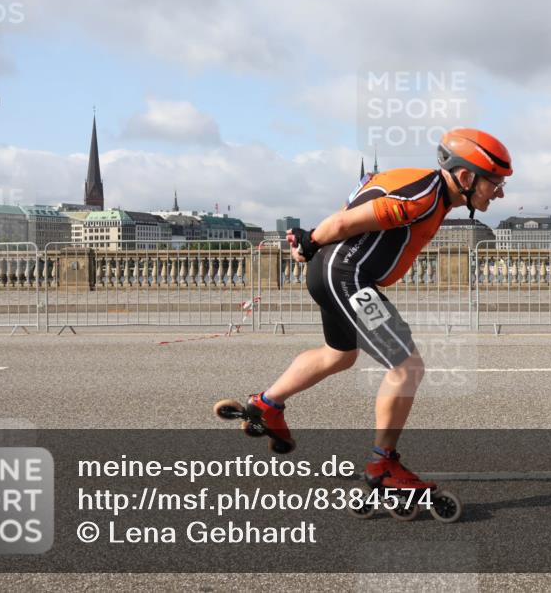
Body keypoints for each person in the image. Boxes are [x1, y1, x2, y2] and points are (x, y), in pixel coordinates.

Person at [217, 128, 511, 490]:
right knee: (407, 367)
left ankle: (266, 405)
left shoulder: (416, 182)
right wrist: (311, 242)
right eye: (495, 182)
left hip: (334, 272)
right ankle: (383, 465)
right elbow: (343, 222)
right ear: (465, 177)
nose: (499, 192)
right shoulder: (424, 197)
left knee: (339, 355)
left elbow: (352, 208)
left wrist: (311, 244)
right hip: (348, 278)